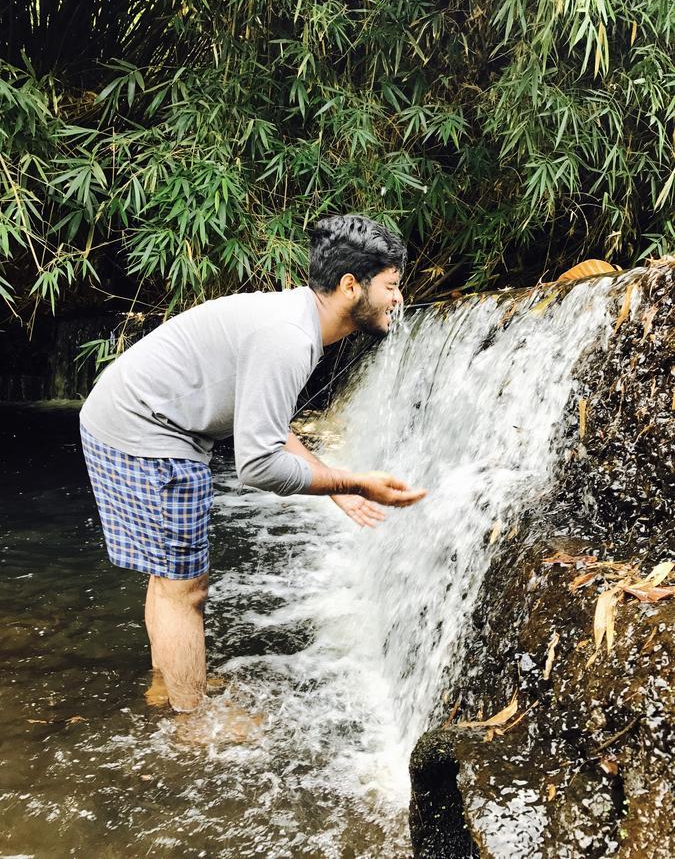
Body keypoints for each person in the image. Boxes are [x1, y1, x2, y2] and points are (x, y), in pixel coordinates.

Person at [80, 214, 427, 713]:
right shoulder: (289, 339)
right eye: (391, 286)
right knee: (186, 589)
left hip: (124, 418)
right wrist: (355, 480)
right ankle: (189, 721)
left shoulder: (295, 320)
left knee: (170, 577)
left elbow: (266, 424)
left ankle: (170, 683)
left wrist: (336, 488)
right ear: (351, 286)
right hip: (147, 432)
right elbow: (259, 465)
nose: (398, 299)